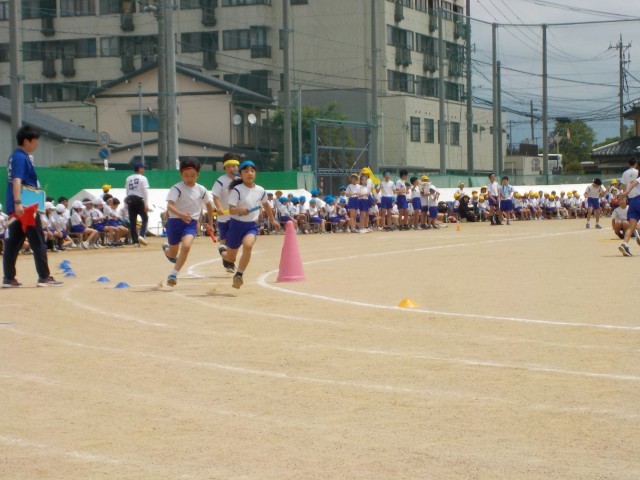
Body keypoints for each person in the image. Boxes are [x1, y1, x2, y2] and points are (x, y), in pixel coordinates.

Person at [2, 125, 62, 287]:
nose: (37, 144)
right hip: (26, 207)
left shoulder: (15, 156)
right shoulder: (21, 158)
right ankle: (44, 277)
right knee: (38, 241)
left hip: (17, 206)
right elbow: (17, 180)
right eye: (35, 140)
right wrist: (18, 203)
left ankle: (9, 278)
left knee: (13, 243)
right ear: (27, 141)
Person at [221, 160, 280, 289]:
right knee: (230, 258)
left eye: (252, 171)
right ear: (240, 174)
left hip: (251, 226)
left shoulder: (260, 190)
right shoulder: (237, 190)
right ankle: (222, 251)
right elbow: (231, 210)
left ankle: (239, 274)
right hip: (235, 226)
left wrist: (272, 220)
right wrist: (240, 209)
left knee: (248, 246)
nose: (250, 173)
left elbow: (266, 205)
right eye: (246, 171)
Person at [162, 158, 215, 286]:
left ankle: (173, 275)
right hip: (174, 222)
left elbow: (209, 206)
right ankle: (166, 249)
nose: (189, 178)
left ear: (198, 175)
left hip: (190, 223)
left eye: (192, 175)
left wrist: (211, 224)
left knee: (186, 246)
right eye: (186, 175)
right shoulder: (176, 188)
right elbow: (170, 206)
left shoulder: (201, 190)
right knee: (173, 253)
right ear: (181, 174)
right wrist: (181, 215)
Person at [212, 153, 240, 272]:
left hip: (237, 216)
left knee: (234, 240)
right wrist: (218, 207)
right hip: (224, 216)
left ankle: (228, 260)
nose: (231, 169)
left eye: (234, 166)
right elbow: (215, 196)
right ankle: (228, 262)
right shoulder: (221, 181)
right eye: (228, 167)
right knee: (224, 240)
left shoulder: (241, 180)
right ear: (225, 168)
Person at [125, 162, 150, 246]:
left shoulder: (128, 178)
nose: (144, 169)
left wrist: (127, 201)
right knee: (145, 218)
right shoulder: (143, 178)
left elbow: (127, 190)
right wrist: (146, 203)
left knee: (132, 221)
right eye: (143, 168)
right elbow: (145, 191)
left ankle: (135, 241)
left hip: (130, 199)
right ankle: (141, 235)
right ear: (139, 169)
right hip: (138, 199)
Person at [618, 175, 640, 256]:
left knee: (631, 227)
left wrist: (625, 193)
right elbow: (634, 182)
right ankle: (639, 230)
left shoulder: (636, 180)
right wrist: (625, 193)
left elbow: (632, 184)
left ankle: (625, 244)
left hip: (633, 203)